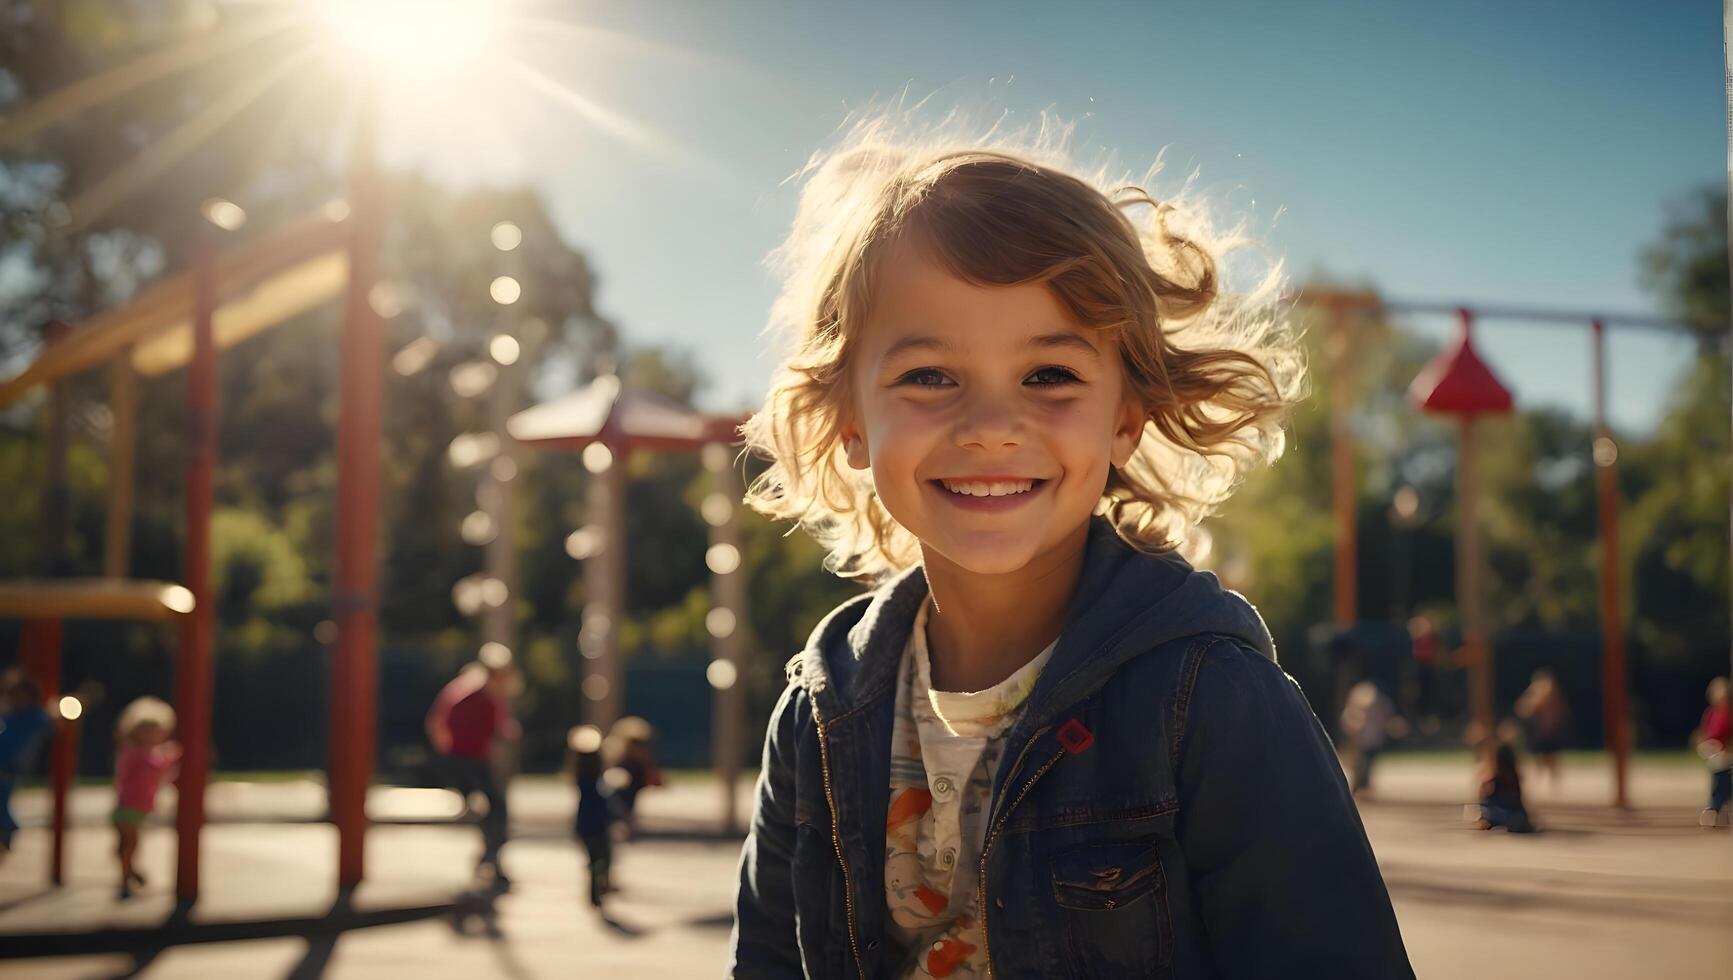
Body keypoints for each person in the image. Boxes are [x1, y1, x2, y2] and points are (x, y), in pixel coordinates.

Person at [729, 120, 1412, 978]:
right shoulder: (821, 712)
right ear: (848, 420)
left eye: (1048, 376)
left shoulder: (1211, 702)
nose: (988, 429)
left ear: (1123, 417)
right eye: (929, 376)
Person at [428, 660, 519, 889]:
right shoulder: (484, 695)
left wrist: (444, 749)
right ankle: (491, 857)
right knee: (498, 808)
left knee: (488, 808)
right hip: (472, 760)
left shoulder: (459, 688)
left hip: (456, 758)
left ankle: (489, 856)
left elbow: (436, 722)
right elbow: (499, 731)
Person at [112, 697, 181, 899]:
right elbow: (154, 767)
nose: (151, 736)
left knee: (129, 843)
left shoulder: (146, 753)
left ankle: (129, 872)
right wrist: (172, 756)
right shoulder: (134, 753)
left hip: (135, 807)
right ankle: (126, 877)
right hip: (127, 806)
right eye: (146, 731)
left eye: (155, 732)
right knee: (130, 843)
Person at [0, 673, 55, 864]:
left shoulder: (35, 718)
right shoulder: (7, 717)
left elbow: (50, 723)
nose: (16, 699)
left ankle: (6, 831)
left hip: (8, 768)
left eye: (20, 695)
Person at [568, 725, 616, 908]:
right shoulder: (594, 782)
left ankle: (596, 891)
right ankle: (597, 891)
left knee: (595, 860)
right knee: (601, 859)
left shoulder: (582, 778)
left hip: (585, 825)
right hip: (596, 825)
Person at [1340, 680, 1403, 797]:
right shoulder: (1359, 706)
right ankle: (1358, 786)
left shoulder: (1381, 705)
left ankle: (1362, 785)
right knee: (1360, 763)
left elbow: (1385, 721)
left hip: (1371, 739)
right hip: (1363, 739)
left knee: (1366, 762)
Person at [605, 715, 663, 836]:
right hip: (622, 785)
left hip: (633, 784)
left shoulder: (641, 763)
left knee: (627, 800)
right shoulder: (620, 759)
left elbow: (655, 779)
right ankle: (621, 819)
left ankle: (625, 820)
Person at [1513, 668, 1570, 791]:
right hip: (1539, 734)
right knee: (1538, 759)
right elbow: (1522, 710)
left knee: (1550, 759)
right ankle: (1538, 783)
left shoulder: (1554, 699)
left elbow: (1561, 716)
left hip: (1550, 734)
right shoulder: (1533, 698)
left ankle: (1553, 783)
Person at [1471, 741, 1534, 833]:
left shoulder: (1493, 776)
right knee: (1516, 817)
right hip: (1515, 813)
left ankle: (1489, 820)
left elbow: (1484, 795)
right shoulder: (1514, 776)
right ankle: (1515, 822)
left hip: (1497, 813)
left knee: (1486, 807)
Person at [1694, 676, 1731, 829]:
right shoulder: (1711, 713)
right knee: (1719, 781)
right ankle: (1716, 808)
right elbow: (1706, 732)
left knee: (1725, 782)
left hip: (1727, 753)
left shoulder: (1729, 713)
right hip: (1715, 753)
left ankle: (1716, 808)